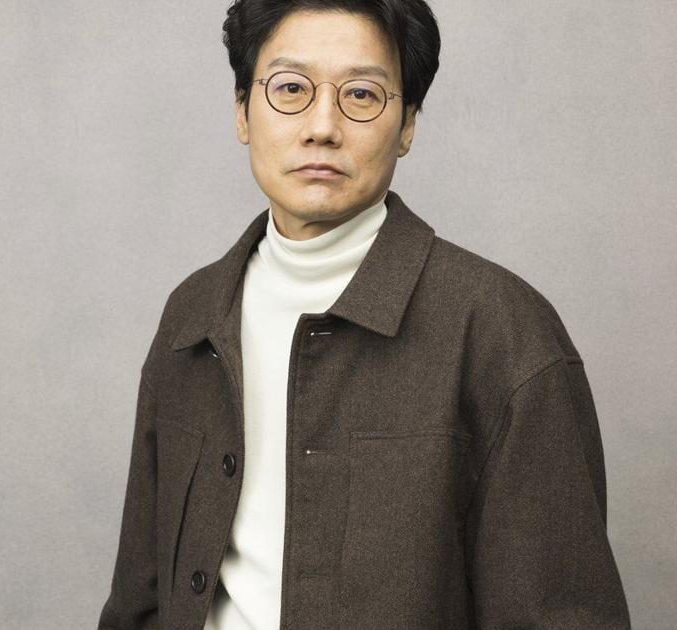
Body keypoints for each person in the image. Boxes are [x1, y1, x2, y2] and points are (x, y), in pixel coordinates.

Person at [98, 1, 631, 628]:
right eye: (290, 88)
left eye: (361, 94)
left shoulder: (501, 331)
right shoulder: (193, 315)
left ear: (407, 125)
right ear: (242, 109)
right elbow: (138, 601)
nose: (322, 126)